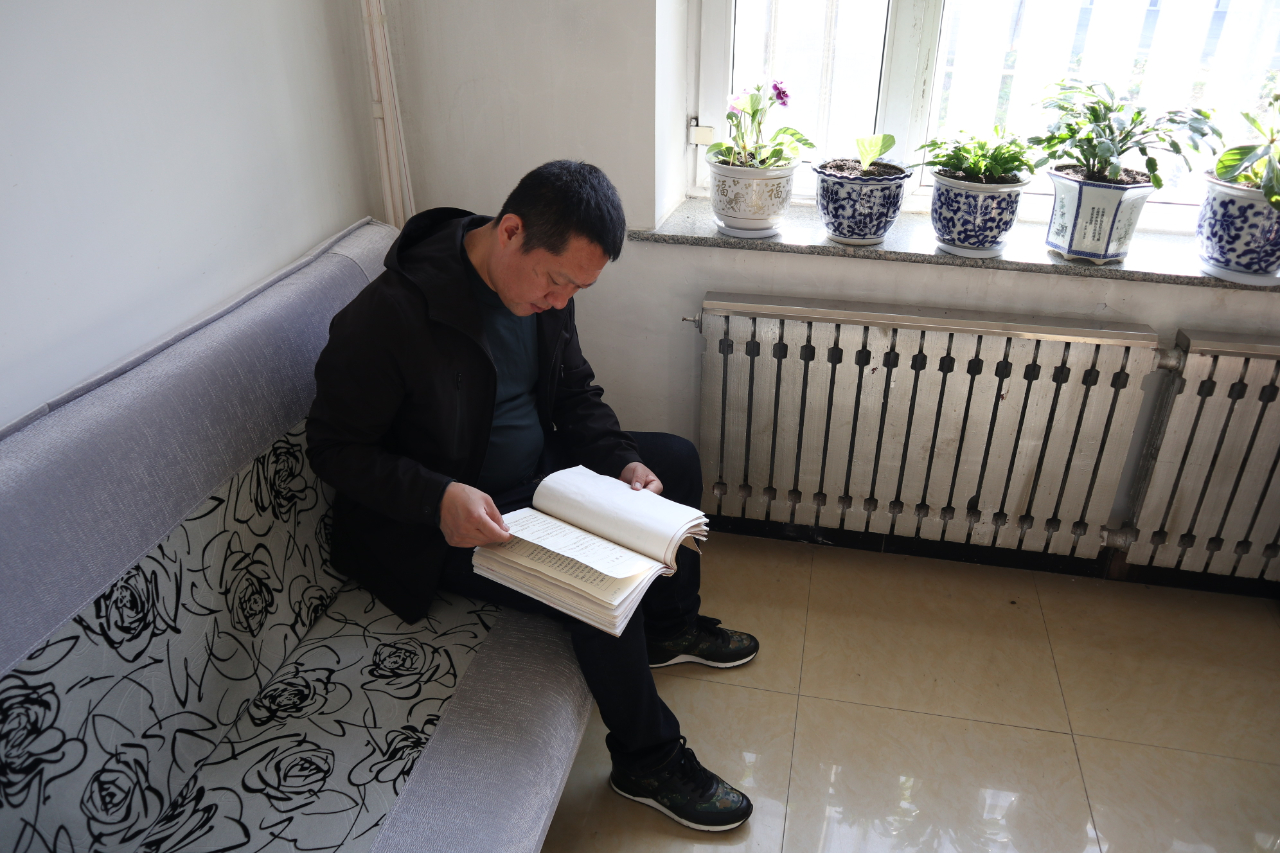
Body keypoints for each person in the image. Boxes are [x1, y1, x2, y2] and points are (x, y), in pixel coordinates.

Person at [305, 160, 759, 831]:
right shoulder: (389, 316)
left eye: (577, 288)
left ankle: (669, 630)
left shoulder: (544, 291)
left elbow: (573, 394)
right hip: (456, 520)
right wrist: (437, 497)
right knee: (601, 584)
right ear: (511, 231)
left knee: (675, 461)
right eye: (555, 281)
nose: (560, 300)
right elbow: (333, 449)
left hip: (540, 474)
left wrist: (623, 462)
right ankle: (648, 760)